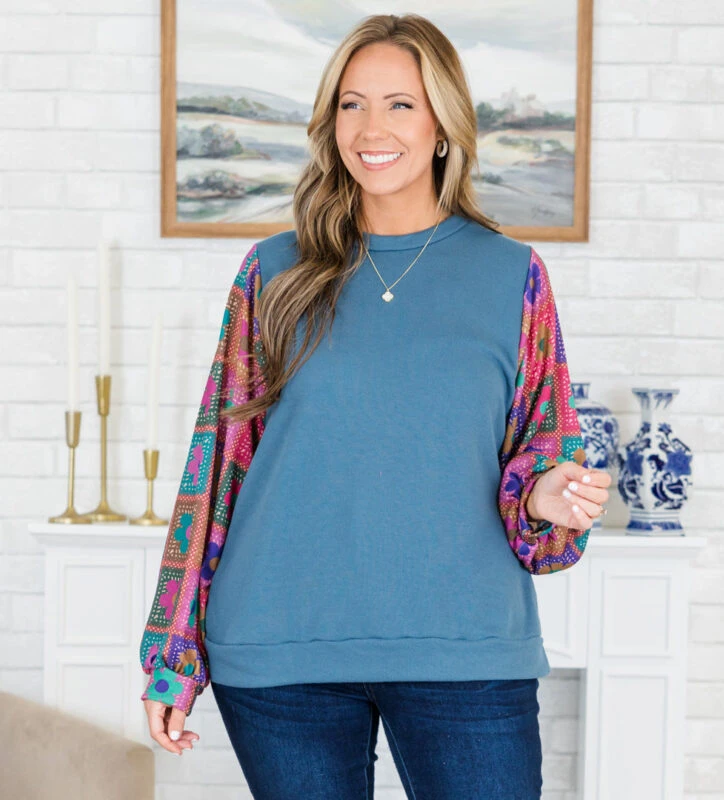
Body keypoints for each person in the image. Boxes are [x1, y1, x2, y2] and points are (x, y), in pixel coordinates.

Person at [140, 12, 611, 799]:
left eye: (400, 104)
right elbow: (216, 470)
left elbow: (541, 445)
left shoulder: (513, 274)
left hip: (465, 647)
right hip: (281, 648)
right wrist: (173, 655)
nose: (371, 128)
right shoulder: (272, 272)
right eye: (351, 104)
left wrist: (545, 494)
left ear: (442, 125)